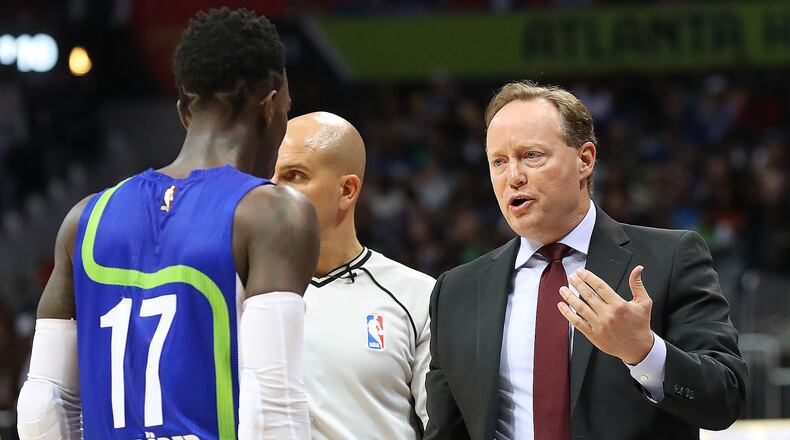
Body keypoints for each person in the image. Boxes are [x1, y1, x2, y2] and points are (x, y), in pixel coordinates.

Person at [16, 8, 319, 440]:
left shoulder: (84, 218)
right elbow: (272, 408)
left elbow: (42, 403)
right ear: (271, 108)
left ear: (183, 112)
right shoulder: (271, 213)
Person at [425, 81, 747, 440]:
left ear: (585, 159)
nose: (513, 177)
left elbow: (725, 398)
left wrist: (643, 351)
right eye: (499, 161)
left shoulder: (671, 258)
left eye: (531, 155)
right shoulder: (456, 291)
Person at [272, 111, 433, 439]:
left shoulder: (416, 296)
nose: (272, 190)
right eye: (268, 176)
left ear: (347, 190)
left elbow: (442, 427)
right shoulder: (238, 291)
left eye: (294, 175)